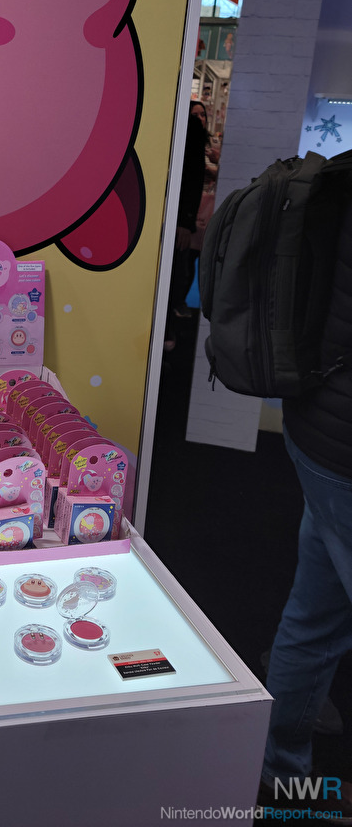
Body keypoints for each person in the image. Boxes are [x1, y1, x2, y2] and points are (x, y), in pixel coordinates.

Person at [257, 185, 352, 822]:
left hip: (319, 430)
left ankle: (280, 770)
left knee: (317, 613)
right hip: (341, 449)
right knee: (317, 615)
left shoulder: (338, 181)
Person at [164, 99, 209, 350]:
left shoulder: (189, 126)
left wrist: (184, 221)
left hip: (176, 218)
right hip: (164, 217)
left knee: (174, 275)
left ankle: (167, 332)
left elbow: (193, 176)